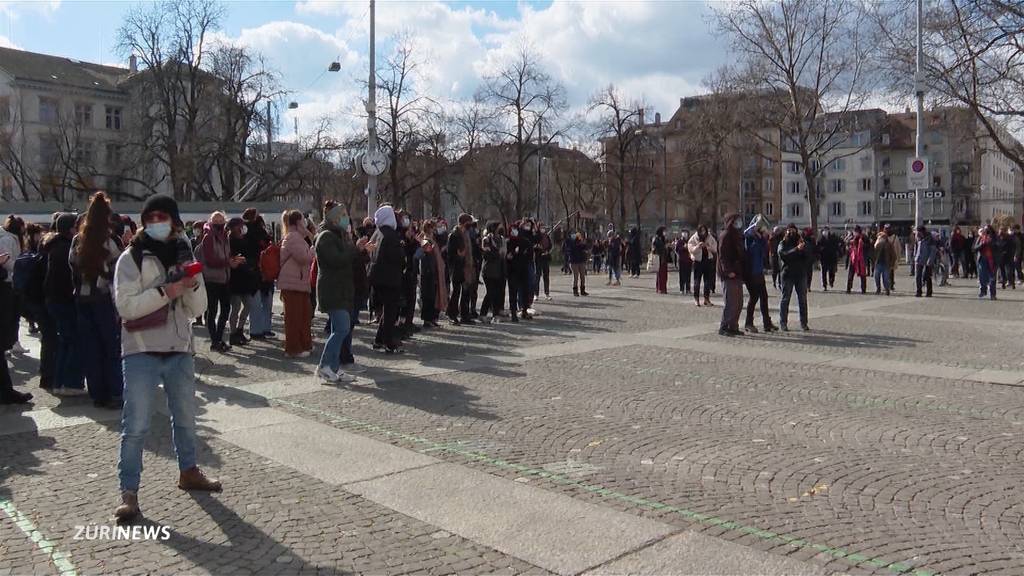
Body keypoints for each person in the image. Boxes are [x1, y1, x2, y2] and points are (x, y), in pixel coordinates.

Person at [113, 194, 220, 523]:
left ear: (174, 222)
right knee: (136, 425)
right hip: (141, 351)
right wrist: (166, 291)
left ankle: (189, 471)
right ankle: (129, 492)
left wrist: (191, 284)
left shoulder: (183, 253)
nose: (158, 224)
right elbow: (126, 307)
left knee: (186, 418)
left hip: (178, 349)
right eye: (152, 218)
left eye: (164, 218)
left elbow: (197, 309)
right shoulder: (130, 258)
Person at [70, 192, 124, 409]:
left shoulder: (77, 240)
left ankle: (97, 394)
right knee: (111, 348)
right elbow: (117, 274)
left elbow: (72, 267)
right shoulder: (111, 241)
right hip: (104, 299)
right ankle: (115, 391)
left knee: (91, 347)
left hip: (82, 299)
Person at [44, 213, 86, 396]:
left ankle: (59, 381)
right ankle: (70, 382)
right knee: (74, 341)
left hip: (54, 300)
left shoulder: (54, 246)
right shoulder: (65, 249)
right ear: (72, 229)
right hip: (64, 301)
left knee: (64, 341)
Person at [315, 203, 357, 383]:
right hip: (332, 290)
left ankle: (333, 367)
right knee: (342, 328)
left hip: (340, 289)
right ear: (335, 218)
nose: (347, 219)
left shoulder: (337, 236)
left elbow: (347, 260)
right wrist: (353, 247)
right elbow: (336, 260)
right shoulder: (326, 237)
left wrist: (358, 249)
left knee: (338, 329)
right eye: (343, 215)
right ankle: (324, 366)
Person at [14, 223, 54, 388]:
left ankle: (46, 374)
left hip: (30, 300)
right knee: (51, 338)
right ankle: (48, 375)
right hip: (43, 301)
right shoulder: (43, 256)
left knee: (47, 337)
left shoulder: (27, 254)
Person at [198, 212, 237, 352]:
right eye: (216, 221)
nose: (219, 224)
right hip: (211, 279)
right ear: (211, 222)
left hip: (224, 278)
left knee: (226, 309)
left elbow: (225, 256)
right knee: (212, 310)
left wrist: (232, 261)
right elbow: (210, 260)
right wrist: (228, 262)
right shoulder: (208, 238)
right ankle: (215, 341)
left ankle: (219, 339)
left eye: (221, 221)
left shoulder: (225, 237)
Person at [278, 210, 315, 357]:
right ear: (298, 222)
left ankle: (304, 344)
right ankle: (293, 348)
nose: (305, 222)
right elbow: (303, 258)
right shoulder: (293, 237)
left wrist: (308, 234)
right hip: (292, 282)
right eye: (303, 220)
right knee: (294, 317)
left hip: (297, 282)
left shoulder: (297, 236)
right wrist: (312, 251)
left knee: (303, 315)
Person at [370, 205, 404, 353]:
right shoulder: (391, 235)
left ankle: (379, 339)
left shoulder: (377, 233)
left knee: (387, 310)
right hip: (390, 277)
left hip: (378, 277)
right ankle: (388, 342)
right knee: (391, 310)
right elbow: (398, 258)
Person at [226, 218, 258, 346]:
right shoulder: (229, 241)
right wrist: (235, 260)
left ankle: (240, 329)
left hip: (246, 277)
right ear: (234, 227)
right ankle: (233, 333)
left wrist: (248, 262)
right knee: (236, 306)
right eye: (240, 225)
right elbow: (227, 257)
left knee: (248, 304)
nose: (242, 227)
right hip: (234, 278)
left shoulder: (246, 240)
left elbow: (252, 255)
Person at [743, 217, 775, 333]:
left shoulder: (759, 238)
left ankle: (767, 323)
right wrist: (757, 237)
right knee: (754, 297)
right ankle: (748, 323)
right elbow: (751, 251)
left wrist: (762, 238)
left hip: (758, 271)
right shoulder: (749, 237)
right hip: (751, 273)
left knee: (764, 297)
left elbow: (764, 250)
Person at [717, 213, 745, 337]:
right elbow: (722, 255)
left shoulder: (737, 235)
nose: (738, 223)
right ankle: (724, 326)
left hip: (737, 272)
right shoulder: (725, 235)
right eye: (736, 221)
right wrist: (728, 271)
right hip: (729, 273)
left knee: (739, 302)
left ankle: (733, 325)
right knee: (730, 302)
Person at [778, 224, 810, 332]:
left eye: (793, 230)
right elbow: (784, 255)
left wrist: (803, 248)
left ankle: (804, 323)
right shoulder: (783, 243)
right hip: (787, 275)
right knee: (785, 299)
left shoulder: (801, 242)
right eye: (789, 231)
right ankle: (783, 323)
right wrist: (796, 249)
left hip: (800, 274)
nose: (791, 233)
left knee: (802, 299)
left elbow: (808, 256)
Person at [446, 213, 476, 325]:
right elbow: (450, 255)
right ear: (464, 223)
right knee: (456, 292)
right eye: (469, 223)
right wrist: (459, 256)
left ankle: (465, 315)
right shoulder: (454, 235)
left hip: (467, 267)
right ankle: (452, 315)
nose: (470, 225)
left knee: (466, 292)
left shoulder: (466, 234)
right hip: (457, 268)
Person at [0, 215, 25, 355]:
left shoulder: (6, 237)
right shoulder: (8, 239)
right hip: (7, 281)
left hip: (8, 280)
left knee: (11, 315)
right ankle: (9, 343)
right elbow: (8, 260)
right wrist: (20, 269)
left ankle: (11, 342)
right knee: (9, 315)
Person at [687, 225, 718, 307]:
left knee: (707, 282)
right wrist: (698, 246)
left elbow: (715, 248)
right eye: (701, 230)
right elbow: (690, 249)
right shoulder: (694, 237)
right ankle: (696, 299)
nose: (703, 232)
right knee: (697, 281)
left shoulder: (710, 237)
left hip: (708, 261)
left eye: (704, 230)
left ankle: (706, 299)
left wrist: (708, 247)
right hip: (698, 261)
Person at [506, 222, 530, 320]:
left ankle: (524, 310)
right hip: (512, 270)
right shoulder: (507, 242)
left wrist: (520, 253)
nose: (514, 231)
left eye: (516, 229)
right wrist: (512, 254)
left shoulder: (524, 241)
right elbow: (507, 256)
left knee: (525, 291)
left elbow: (529, 252)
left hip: (523, 268)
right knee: (513, 292)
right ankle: (513, 312)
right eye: (512, 230)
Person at [914, 225, 937, 297]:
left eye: (918, 232)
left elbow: (933, 250)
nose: (917, 233)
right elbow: (917, 248)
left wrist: (930, 260)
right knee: (918, 276)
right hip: (919, 259)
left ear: (922, 231)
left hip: (927, 260)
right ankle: (919, 291)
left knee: (927, 276)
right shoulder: (918, 238)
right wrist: (915, 257)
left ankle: (929, 292)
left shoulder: (930, 239)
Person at [975, 225, 998, 299]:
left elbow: (998, 246)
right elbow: (974, 248)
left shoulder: (994, 238)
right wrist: (982, 244)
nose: (986, 232)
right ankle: (983, 291)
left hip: (992, 259)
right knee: (982, 276)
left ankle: (993, 294)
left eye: (987, 231)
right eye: (985, 230)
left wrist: (990, 242)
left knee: (992, 277)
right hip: (982, 259)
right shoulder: (980, 238)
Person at [873, 227, 896, 296]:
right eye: (880, 238)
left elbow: (894, 255)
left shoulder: (889, 245)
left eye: (882, 237)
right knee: (876, 276)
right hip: (878, 263)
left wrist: (892, 264)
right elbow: (874, 253)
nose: (881, 239)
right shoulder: (878, 245)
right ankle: (878, 288)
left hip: (886, 264)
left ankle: (887, 289)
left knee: (886, 278)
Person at [846, 226, 868, 294]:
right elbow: (847, 243)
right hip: (853, 258)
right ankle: (848, 288)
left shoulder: (864, 238)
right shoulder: (852, 237)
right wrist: (849, 241)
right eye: (855, 231)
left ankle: (863, 289)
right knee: (850, 274)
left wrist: (863, 245)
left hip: (861, 258)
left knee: (863, 274)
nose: (856, 233)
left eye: (857, 231)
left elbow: (868, 245)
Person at [817, 226, 841, 291]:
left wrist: (839, 254)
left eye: (827, 230)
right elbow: (817, 247)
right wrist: (819, 253)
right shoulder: (820, 238)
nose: (825, 232)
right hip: (823, 258)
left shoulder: (833, 237)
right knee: (823, 272)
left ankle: (831, 281)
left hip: (832, 257)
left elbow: (837, 246)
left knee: (832, 271)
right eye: (824, 230)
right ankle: (824, 285)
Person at [535, 222, 552, 300]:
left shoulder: (547, 236)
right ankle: (536, 294)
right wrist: (539, 250)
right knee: (537, 276)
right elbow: (534, 246)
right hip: (538, 258)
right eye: (541, 227)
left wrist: (547, 251)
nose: (543, 228)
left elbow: (550, 245)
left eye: (543, 226)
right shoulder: (536, 236)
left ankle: (547, 293)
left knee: (546, 276)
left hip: (545, 258)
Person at [569, 230, 589, 297]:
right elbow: (573, 248)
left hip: (581, 261)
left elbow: (585, 248)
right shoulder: (572, 242)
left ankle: (583, 290)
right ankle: (575, 291)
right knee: (576, 276)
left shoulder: (582, 243)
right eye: (578, 236)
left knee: (582, 276)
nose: (580, 237)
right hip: (574, 261)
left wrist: (584, 242)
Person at [652, 227, 669, 294]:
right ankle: (659, 288)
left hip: (664, 258)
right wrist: (664, 246)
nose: (665, 233)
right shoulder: (656, 239)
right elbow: (656, 247)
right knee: (660, 274)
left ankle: (664, 288)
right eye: (664, 231)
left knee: (664, 275)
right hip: (659, 258)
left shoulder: (663, 239)